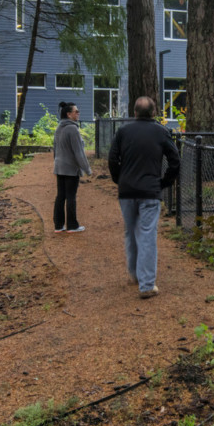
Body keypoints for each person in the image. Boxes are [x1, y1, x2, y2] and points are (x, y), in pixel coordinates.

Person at [107, 95, 179, 298]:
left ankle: (134, 275)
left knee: (130, 232)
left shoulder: (123, 131)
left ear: (135, 112)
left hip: (127, 191)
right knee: (147, 234)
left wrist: (119, 179)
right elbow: (175, 160)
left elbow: (113, 159)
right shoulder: (161, 132)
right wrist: (164, 182)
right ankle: (147, 284)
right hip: (150, 192)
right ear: (154, 112)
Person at [52, 101, 91, 234]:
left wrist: (56, 163)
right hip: (70, 169)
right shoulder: (72, 129)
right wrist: (87, 169)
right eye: (76, 111)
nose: (78, 113)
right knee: (71, 196)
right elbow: (78, 152)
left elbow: (55, 149)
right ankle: (72, 226)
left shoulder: (59, 128)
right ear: (69, 114)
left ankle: (58, 225)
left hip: (59, 167)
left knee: (60, 196)